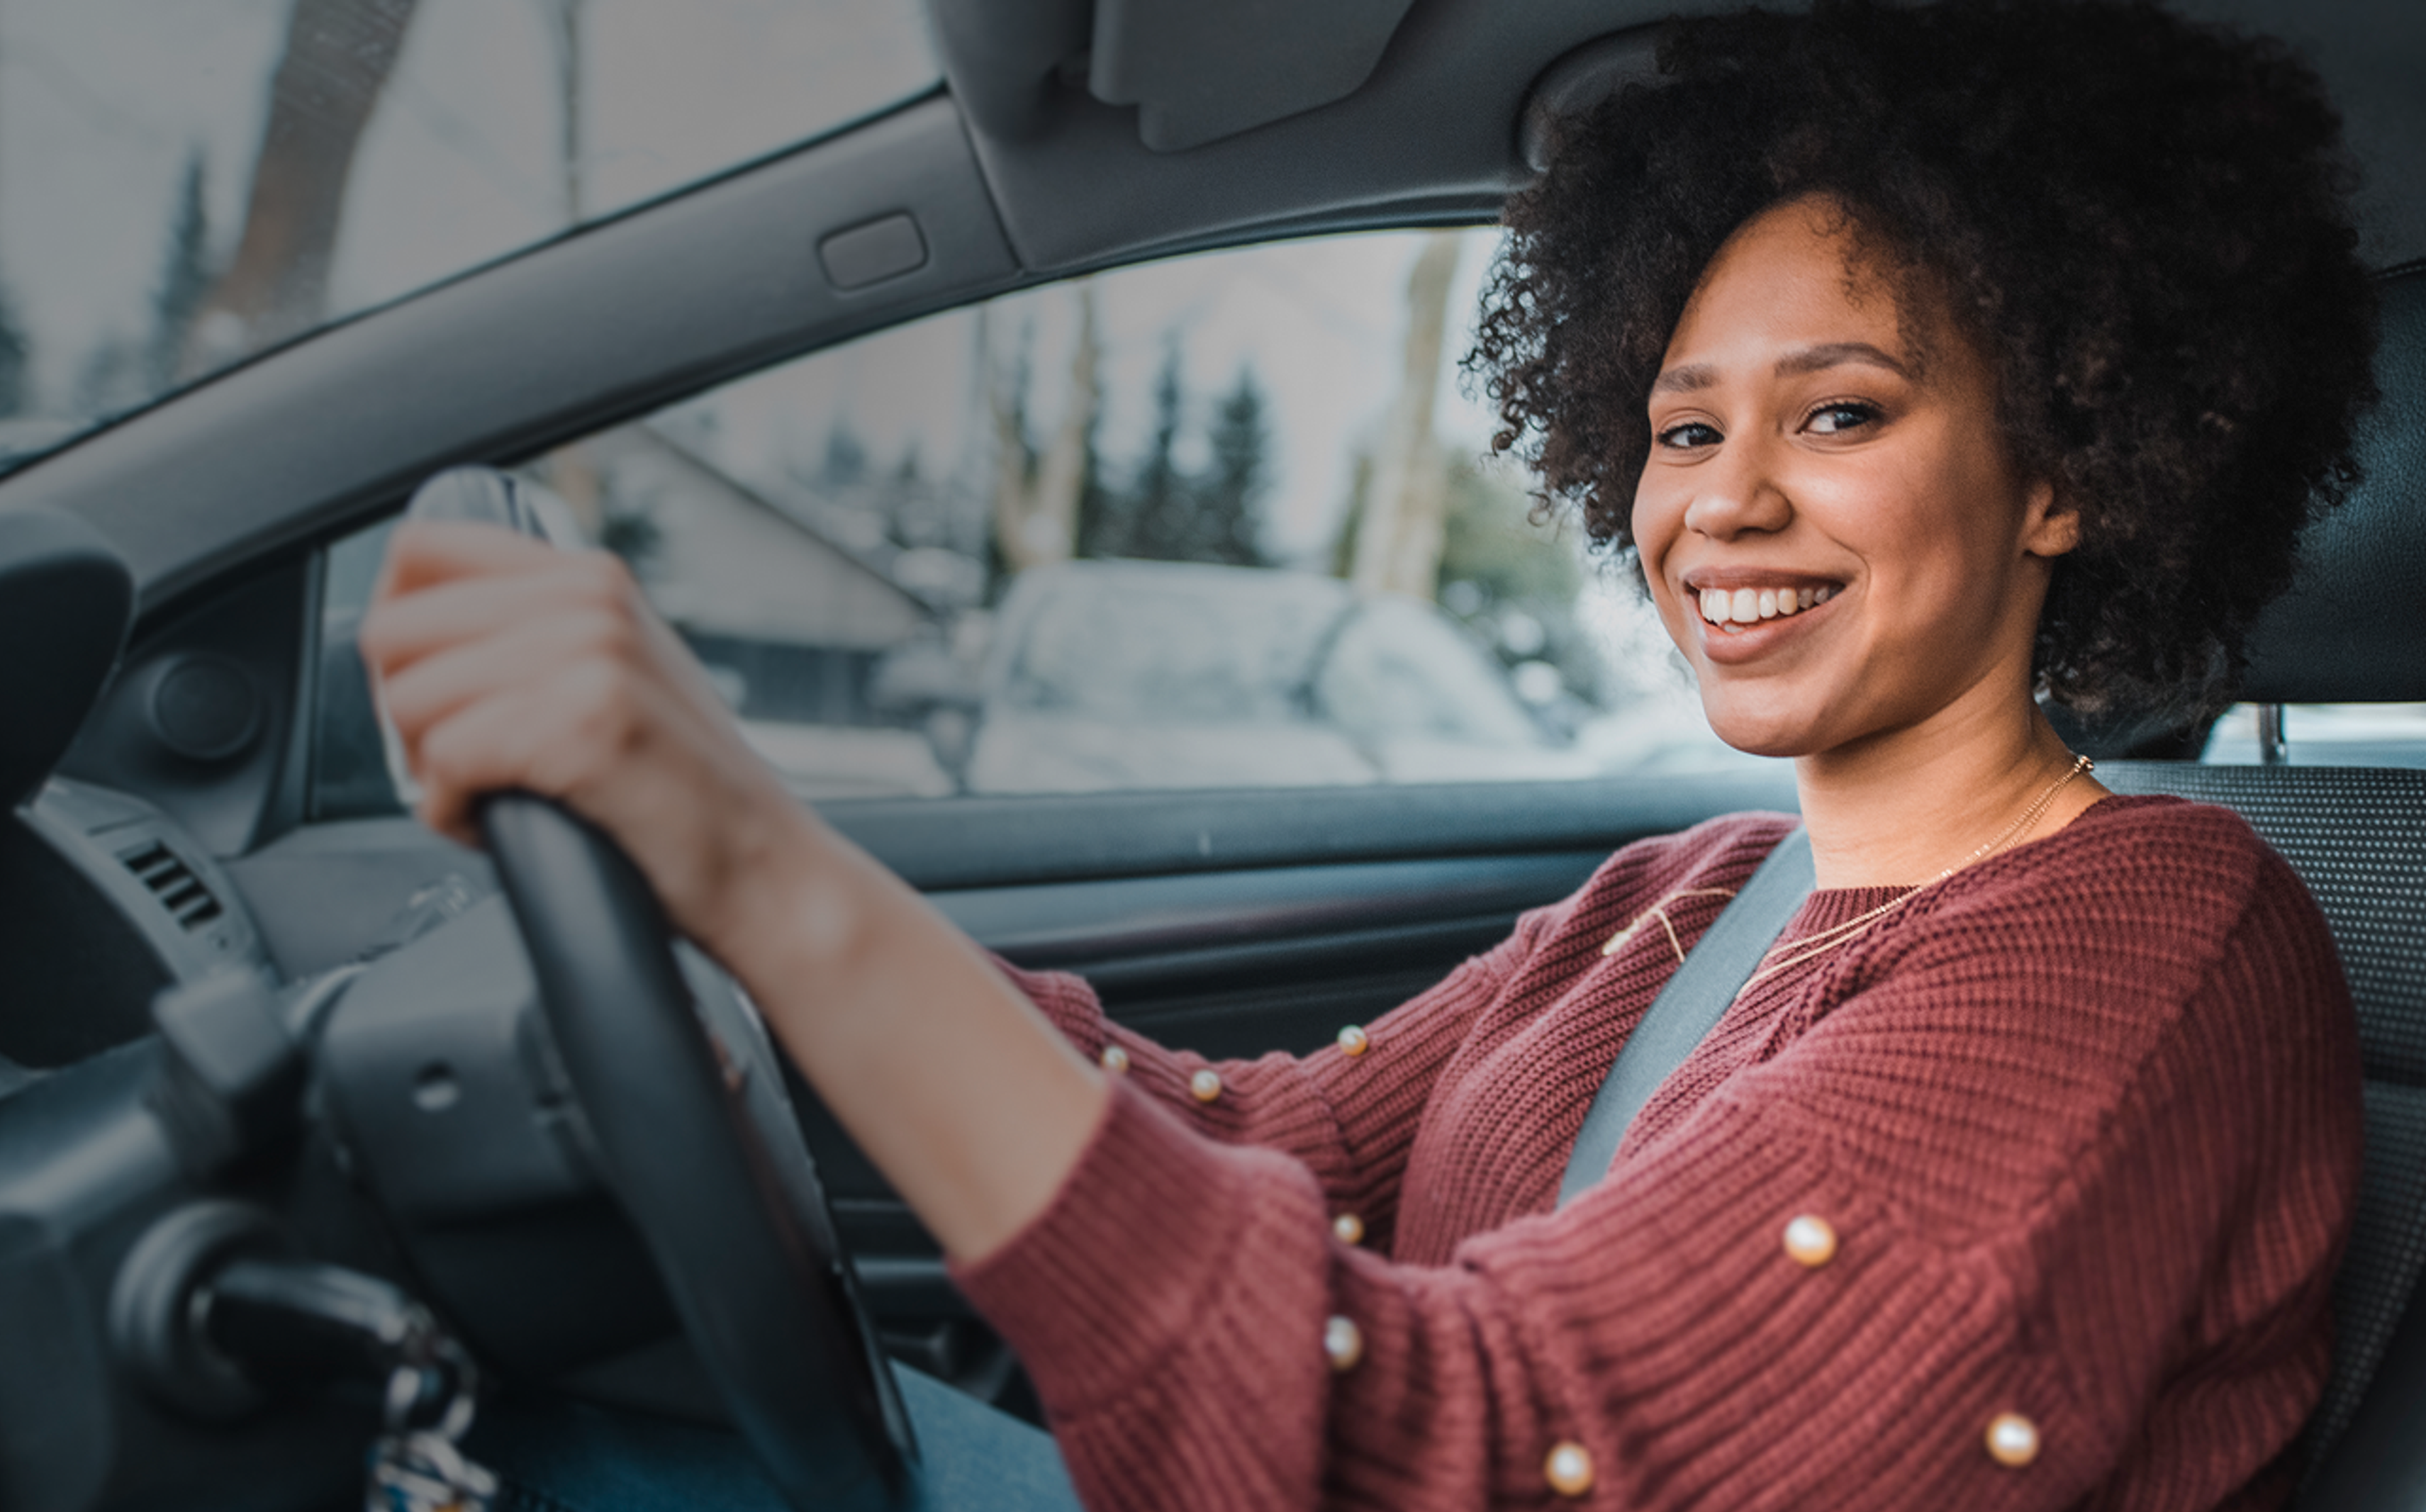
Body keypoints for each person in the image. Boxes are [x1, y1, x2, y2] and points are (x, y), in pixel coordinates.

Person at [359, 0, 2383, 1505]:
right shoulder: (1681, 893)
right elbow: (1261, 1143)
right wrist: (763, 929)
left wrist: (766, 879)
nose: (1725, 504)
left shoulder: (2154, 952)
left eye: (1839, 415)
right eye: (1684, 430)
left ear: (2067, 472)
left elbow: (1493, 1457)